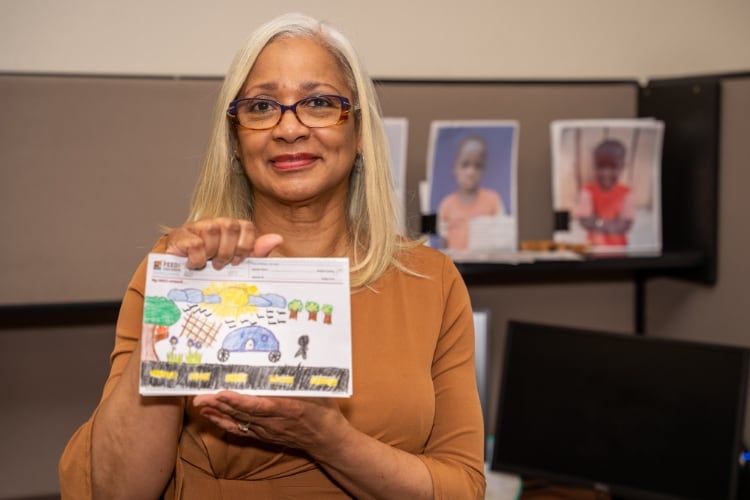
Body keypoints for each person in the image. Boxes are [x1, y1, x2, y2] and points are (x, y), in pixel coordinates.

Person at [58, 12, 486, 500]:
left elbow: (463, 488)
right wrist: (175, 306)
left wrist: (327, 440)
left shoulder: (431, 282)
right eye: (262, 106)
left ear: (361, 132)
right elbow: (115, 491)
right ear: (237, 140)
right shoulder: (183, 267)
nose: (289, 128)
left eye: (320, 103)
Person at [437, 135, 504, 250]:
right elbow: (443, 245)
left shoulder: (494, 201)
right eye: (465, 164)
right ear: (455, 168)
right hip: (454, 265)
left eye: (477, 166)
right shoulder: (446, 205)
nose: (470, 172)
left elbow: (501, 240)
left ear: (483, 169)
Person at [573, 138, 635, 247]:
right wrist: (612, 225)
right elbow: (584, 221)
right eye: (600, 166)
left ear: (622, 167)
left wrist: (597, 222)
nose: (606, 173)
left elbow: (626, 225)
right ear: (594, 166)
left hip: (619, 248)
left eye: (613, 166)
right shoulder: (587, 191)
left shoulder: (626, 192)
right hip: (594, 247)